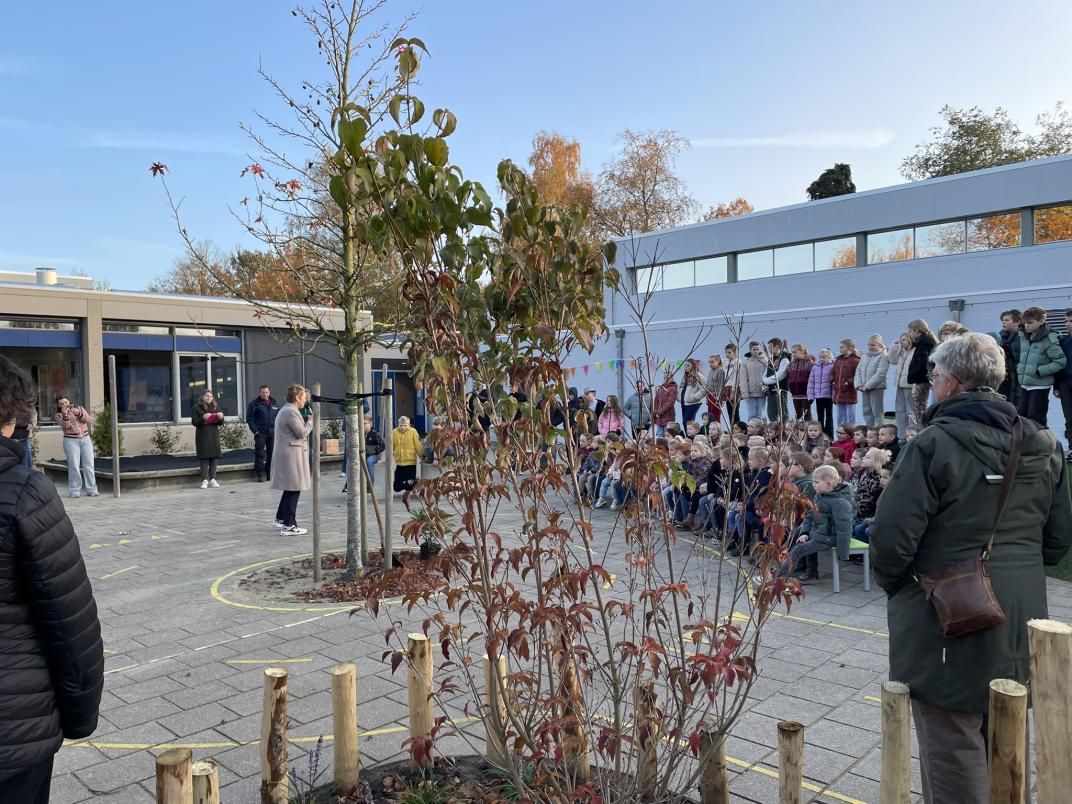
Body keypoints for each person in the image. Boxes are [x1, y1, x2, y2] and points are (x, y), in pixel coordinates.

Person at [869, 332, 1072, 804]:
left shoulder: (933, 443)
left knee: (950, 737)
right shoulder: (1042, 440)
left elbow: (890, 541)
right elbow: (1059, 540)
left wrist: (904, 589)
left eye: (935, 373)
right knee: (1008, 724)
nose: (932, 381)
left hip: (945, 608)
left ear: (953, 381)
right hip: (1021, 609)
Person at [0, 355, 104, 801]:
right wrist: (80, 715)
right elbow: (69, 621)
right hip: (13, 731)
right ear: (10, 414)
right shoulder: (25, 493)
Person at [778, 464, 853, 583]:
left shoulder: (840, 502)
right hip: (819, 534)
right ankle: (810, 572)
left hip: (829, 537)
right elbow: (808, 516)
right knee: (799, 536)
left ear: (828, 484)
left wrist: (843, 553)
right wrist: (805, 532)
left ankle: (780, 577)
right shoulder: (819, 496)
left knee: (799, 549)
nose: (813, 485)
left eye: (816, 482)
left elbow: (845, 528)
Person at [271, 384, 313, 535]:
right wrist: (311, 421)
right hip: (291, 454)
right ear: (297, 398)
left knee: (290, 487)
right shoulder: (291, 411)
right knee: (294, 488)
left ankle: (281, 518)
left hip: (289, 453)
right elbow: (302, 433)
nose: (305, 401)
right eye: (303, 398)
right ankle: (289, 525)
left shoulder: (287, 409)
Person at [1016, 305, 1066, 428]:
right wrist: (1020, 368)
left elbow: (1060, 361)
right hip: (1024, 383)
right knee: (1021, 416)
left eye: (1030, 323)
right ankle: (1025, 445)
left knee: (1036, 417)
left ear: (1041, 321)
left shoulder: (1049, 338)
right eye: (1025, 323)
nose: (1027, 326)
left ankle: (1041, 445)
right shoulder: (1023, 336)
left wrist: (1039, 371)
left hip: (1039, 385)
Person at [54, 396, 98, 498]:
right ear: (59, 406)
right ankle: (74, 490)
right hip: (70, 441)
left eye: (66, 402)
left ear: (69, 401)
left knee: (89, 464)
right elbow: (66, 426)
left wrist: (78, 413)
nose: (65, 405)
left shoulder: (79, 408)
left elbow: (88, 419)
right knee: (74, 465)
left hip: (85, 439)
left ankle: (92, 489)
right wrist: (65, 415)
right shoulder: (58, 415)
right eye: (62, 404)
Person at [906, 319, 938, 425]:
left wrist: (914, 374)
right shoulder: (925, 342)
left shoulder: (923, 344)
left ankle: (922, 427)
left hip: (922, 380)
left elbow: (922, 363)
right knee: (920, 406)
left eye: (910, 332)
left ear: (917, 331)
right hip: (923, 379)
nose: (909, 334)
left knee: (919, 407)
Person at [245, 385, 280, 482]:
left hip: (272, 433)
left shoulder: (275, 404)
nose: (265, 394)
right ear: (260, 393)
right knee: (259, 453)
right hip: (260, 433)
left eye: (266, 392)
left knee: (272, 454)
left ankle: (270, 474)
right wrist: (255, 430)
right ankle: (260, 474)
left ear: (269, 392)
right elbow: (249, 418)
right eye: (263, 392)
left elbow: (279, 418)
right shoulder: (254, 404)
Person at [191, 390, 224, 489]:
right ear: (202, 397)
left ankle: (213, 479)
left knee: (214, 458)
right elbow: (194, 422)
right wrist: (203, 418)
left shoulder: (215, 407)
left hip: (214, 435)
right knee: (204, 458)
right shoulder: (196, 408)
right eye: (207, 396)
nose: (209, 398)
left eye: (211, 396)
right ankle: (205, 480)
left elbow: (221, 423)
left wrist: (221, 417)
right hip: (203, 435)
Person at [855, 334, 890, 427]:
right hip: (863, 388)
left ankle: (877, 432)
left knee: (877, 412)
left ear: (880, 345)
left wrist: (867, 386)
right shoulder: (865, 356)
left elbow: (881, 374)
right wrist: (858, 385)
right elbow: (858, 370)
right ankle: (869, 432)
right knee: (866, 411)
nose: (870, 347)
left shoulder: (883, 356)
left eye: (873, 345)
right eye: (869, 345)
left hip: (877, 388)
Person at [888, 332, 917, 437]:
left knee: (911, 411)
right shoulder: (902, 352)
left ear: (910, 340)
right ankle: (901, 436)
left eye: (904, 340)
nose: (902, 342)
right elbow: (891, 359)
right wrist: (895, 346)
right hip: (900, 384)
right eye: (901, 340)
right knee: (899, 411)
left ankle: (912, 434)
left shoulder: (915, 351)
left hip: (910, 384)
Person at [991, 309, 1022, 407]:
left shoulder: (1024, 337)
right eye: (1003, 320)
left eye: (1007, 320)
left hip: (1020, 377)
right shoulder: (1000, 336)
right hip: (1006, 377)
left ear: (1017, 321)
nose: (1004, 322)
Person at [1055, 308, 1072, 459]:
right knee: (1069, 417)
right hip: (1066, 383)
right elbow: (1059, 365)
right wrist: (1057, 386)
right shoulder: (1063, 341)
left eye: (1071, 321)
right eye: (1066, 321)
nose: (1068, 324)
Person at [761, 338, 790, 423]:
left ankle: (784, 431)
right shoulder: (771, 359)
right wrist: (764, 379)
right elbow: (765, 373)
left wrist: (766, 381)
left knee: (783, 413)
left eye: (770, 348)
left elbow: (780, 375)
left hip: (780, 390)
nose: (769, 350)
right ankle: (774, 431)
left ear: (777, 347)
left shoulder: (784, 358)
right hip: (771, 390)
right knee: (771, 413)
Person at [831, 339, 860, 427]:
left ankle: (851, 435)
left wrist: (848, 382)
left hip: (849, 392)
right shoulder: (838, 360)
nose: (840, 349)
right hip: (839, 393)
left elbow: (858, 375)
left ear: (850, 348)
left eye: (842, 347)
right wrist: (831, 380)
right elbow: (833, 372)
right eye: (840, 347)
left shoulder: (855, 360)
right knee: (840, 417)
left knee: (850, 417)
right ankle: (840, 434)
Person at [807, 348, 835, 438]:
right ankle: (821, 434)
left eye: (824, 357)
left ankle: (830, 435)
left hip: (828, 396)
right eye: (820, 357)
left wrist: (834, 396)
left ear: (829, 357)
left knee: (829, 416)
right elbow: (811, 382)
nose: (822, 359)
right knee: (820, 416)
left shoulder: (832, 367)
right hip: (818, 396)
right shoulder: (815, 367)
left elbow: (834, 384)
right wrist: (810, 396)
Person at [391, 415, 423, 492]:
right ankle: (415, 482)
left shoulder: (413, 431)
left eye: (405, 425)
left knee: (409, 487)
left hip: (410, 464)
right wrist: (390, 457)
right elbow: (391, 446)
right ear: (398, 425)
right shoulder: (394, 432)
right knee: (396, 488)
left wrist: (422, 457)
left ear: (409, 425)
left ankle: (413, 483)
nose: (403, 427)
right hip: (399, 464)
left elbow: (418, 445)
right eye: (401, 426)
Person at [786, 343, 816, 421]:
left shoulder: (810, 363)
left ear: (801, 352)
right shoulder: (791, 364)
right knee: (798, 414)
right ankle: (799, 431)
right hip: (795, 394)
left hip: (806, 393)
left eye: (795, 352)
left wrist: (811, 391)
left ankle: (808, 430)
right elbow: (788, 376)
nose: (793, 354)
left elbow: (813, 378)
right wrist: (790, 386)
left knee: (806, 414)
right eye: (792, 352)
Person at [740, 342, 768, 422]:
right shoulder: (745, 363)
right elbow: (743, 379)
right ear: (750, 350)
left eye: (758, 349)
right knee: (751, 414)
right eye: (754, 349)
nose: (756, 351)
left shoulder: (765, 361)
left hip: (762, 392)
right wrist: (745, 393)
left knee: (761, 414)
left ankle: (761, 432)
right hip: (750, 393)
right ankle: (752, 432)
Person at [722, 344, 744, 425]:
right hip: (727, 387)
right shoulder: (726, 362)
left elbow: (736, 377)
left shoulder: (737, 361)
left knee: (735, 411)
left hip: (733, 387)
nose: (727, 354)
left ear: (734, 352)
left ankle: (737, 427)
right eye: (726, 352)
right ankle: (732, 428)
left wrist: (733, 391)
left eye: (729, 352)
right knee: (729, 411)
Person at [653, 369, 679, 437]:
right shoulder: (661, 388)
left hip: (668, 418)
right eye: (664, 377)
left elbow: (670, 403)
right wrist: (655, 412)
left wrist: (659, 413)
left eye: (668, 378)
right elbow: (656, 401)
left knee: (667, 437)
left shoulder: (673, 388)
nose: (666, 379)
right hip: (659, 419)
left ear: (672, 378)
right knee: (658, 437)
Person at [681, 359, 706, 426]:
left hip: (693, 403)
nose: (686, 367)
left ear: (693, 366)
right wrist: (679, 398)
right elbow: (681, 388)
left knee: (687, 422)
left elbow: (703, 389)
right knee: (685, 423)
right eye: (685, 365)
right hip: (684, 403)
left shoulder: (698, 375)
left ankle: (691, 436)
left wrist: (695, 397)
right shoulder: (685, 376)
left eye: (688, 365)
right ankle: (689, 436)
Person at [704, 354, 726, 431]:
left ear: (718, 361)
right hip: (710, 396)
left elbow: (721, 385)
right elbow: (708, 384)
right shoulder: (710, 371)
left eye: (712, 362)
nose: (710, 364)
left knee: (715, 417)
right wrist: (707, 397)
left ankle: (718, 431)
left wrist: (719, 399)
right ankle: (710, 431)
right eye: (709, 362)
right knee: (709, 416)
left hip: (716, 396)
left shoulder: (720, 371)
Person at [12, 403, 37, 470]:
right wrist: (26, 425)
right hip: (13, 438)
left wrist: (31, 424)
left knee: (26, 464)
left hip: (23, 438)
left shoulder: (26, 405)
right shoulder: (8, 404)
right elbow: (11, 421)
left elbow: (32, 418)